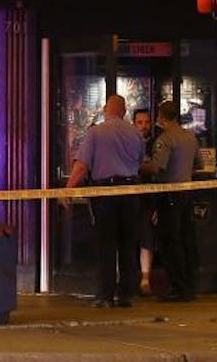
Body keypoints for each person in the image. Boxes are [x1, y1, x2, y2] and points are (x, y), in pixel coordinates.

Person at [64, 94, 144, 308]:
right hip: (130, 191)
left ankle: (105, 295)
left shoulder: (95, 132)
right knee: (128, 244)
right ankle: (127, 293)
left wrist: (68, 190)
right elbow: (140, 163)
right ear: (124, 111)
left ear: (105, 109)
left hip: (105, 192)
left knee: (106, 244)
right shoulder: (136, 134)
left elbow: (82, 166)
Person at [141, 100, 202, 302]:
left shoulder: (165, 140)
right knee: (185, 240)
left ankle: (178, 287)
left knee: (169, 242)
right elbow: (199, 164)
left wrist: (141, 164)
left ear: (161, 117)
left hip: (169, 196)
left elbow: (158, 167)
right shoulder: (191, 137)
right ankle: (189, 285)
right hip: (188, 193)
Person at [131, 107, 157, 295]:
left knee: (147, 239)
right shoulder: (127, 142)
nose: (143, 126)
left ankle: (145, 279)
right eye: (139, 122)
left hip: (148, 199)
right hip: (129, 197)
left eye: (146, 122)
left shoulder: (156, 144)